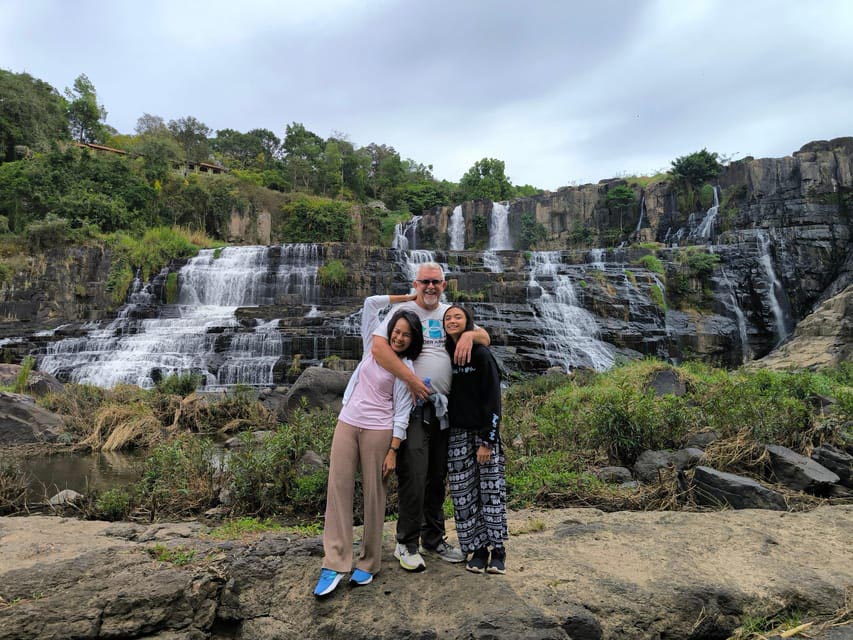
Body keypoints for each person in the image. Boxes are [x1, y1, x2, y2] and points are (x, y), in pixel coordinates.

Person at [371, 262, 491, 571]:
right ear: (415, 283)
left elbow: (486, 338)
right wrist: (411, 381)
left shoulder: (451, 313)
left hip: (445, 410)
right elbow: (378, 349)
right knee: (415, 473)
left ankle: (433, 539)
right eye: (424, 281)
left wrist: (469, 337)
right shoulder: (403, 313)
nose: (430, 287)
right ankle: (406, 543)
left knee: (438, 475)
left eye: (435, 282)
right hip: (413, 409)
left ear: (444, 284)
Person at [313, 293, 423, 597]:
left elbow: (402, 412)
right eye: (396, 331)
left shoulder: (406, 368)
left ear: (413, 339)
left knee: (375, 494)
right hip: (347, 422)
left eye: (406, 335)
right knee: (338, 489)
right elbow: (371, 304)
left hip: (379, 431)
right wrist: (408, 298)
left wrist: (393, 450)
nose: (399, 338)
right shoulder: (372, 347)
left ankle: (370, 561)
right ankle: (334, 562)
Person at [443, 304, 508, 574]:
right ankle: (478, 549)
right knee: (464, 495)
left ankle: (499, 551)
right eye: (448, 317)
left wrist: (487, 441)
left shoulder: (482, 355)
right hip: (456, 434)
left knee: (491, 492)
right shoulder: (444, 353)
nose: (452, 320)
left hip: (482, 434)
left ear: (469, 322)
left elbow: (493, 399)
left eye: (458, 316)